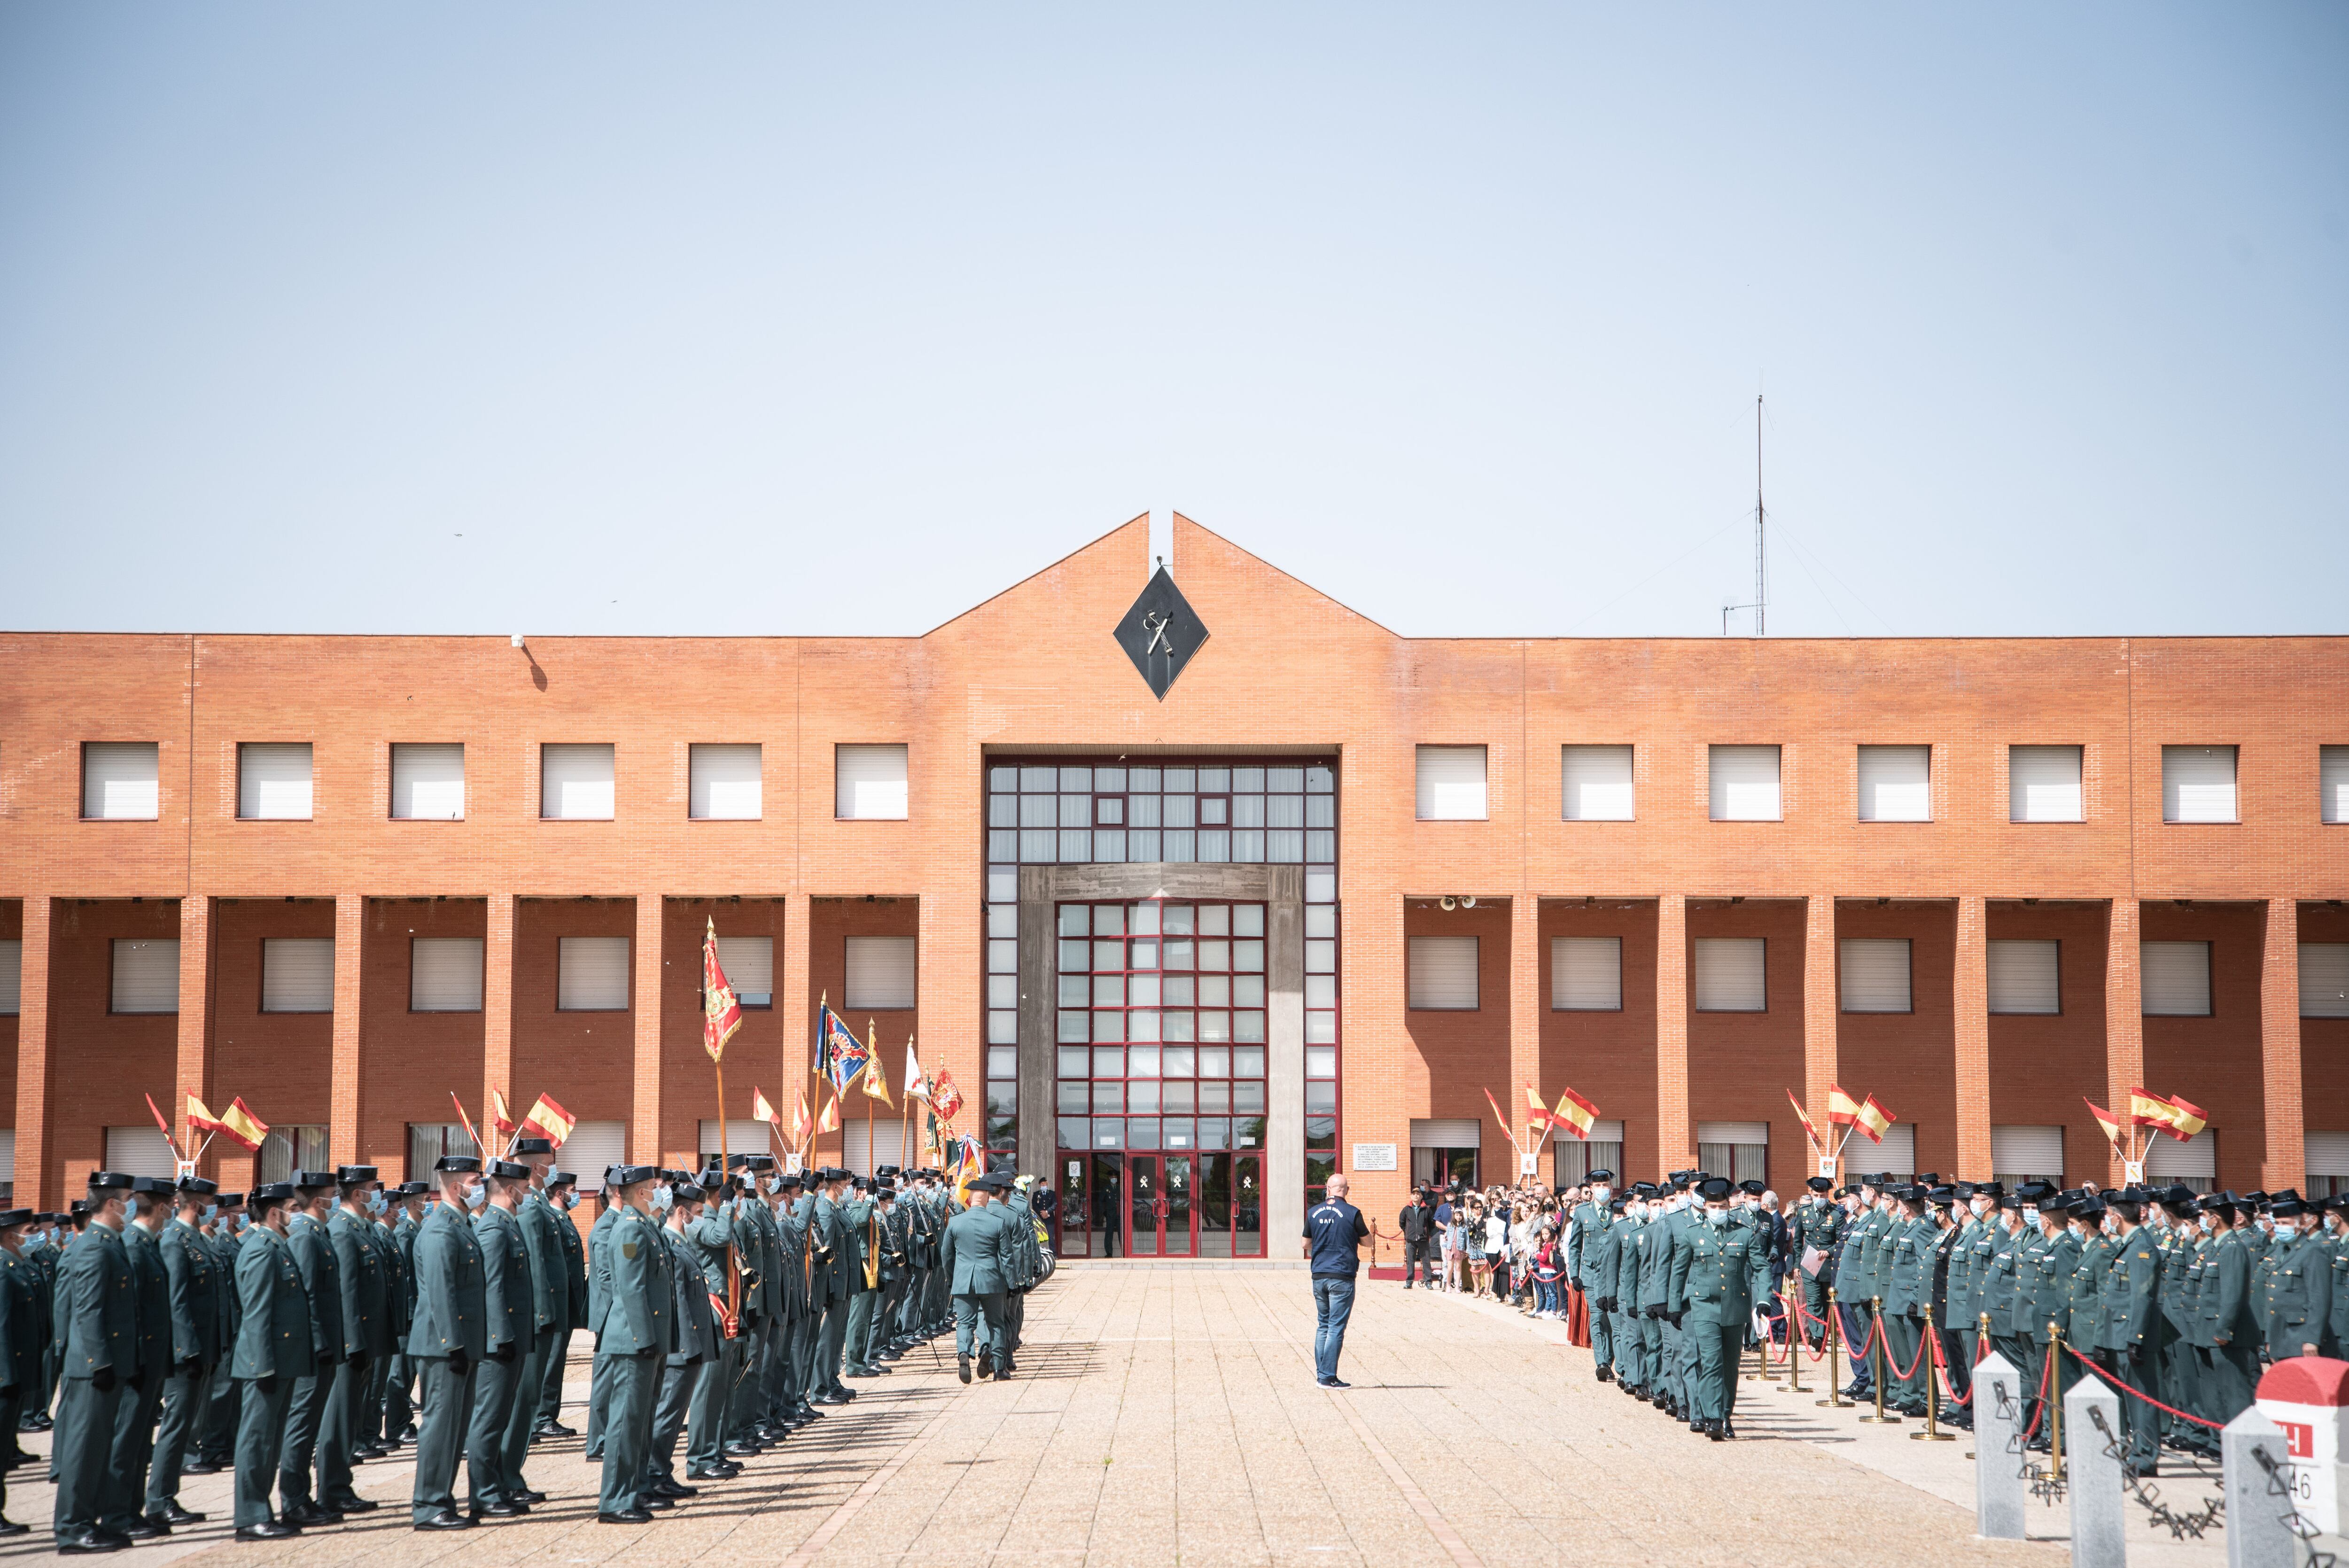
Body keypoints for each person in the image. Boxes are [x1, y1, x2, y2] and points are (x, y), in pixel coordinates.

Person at [408, 1153, 486, 1531]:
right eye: (475, 1181)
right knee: (441, 1426)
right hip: (444, 1346)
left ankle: (443, 1500)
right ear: (456, 1187)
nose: (480, 1186)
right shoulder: (441, 1230)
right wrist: (454, 1345)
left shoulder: (459, 1224)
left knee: (455, 1427)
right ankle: (429, 1506)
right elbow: (441, 1293)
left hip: (460, 1344)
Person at [228, 1183, 311, 1542]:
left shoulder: (278, 1245)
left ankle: (264, 1510)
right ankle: (250, 1516)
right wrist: (263, 1366)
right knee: (257, 1441)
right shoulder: (262, 1249)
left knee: (270, 1441)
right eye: (294, 1207)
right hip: (267, 1362)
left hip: (282, 1360)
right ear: (275, 1213)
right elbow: (257, 1314)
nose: (299, 1213)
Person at [594, 1165, 673, 1525]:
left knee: (639, 1421)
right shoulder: (629, 1228)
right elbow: (631, 1289)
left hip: (647, 1338)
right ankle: (615, 1500)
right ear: (641, 1193)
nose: (659, 1192)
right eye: (654, 1188)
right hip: (632, 1340)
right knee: (626, 1423)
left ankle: (637, 1488)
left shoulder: (644, 1227)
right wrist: (644, 1338)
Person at [145, 1176, 224, 1529]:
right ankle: (158, 1501)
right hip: (185, 1355)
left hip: (202, 1350)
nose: (215, 1207)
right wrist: (187, 1350)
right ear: (197, 1203)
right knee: (176, 1428)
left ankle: (167, 1496)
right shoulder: (176, 1241)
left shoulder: (195, 1239)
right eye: (211, 1200)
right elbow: (176, 1302)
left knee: (186, 1427)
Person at [467, 1157, 536, 1519]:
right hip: (500, 1343)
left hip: (512, 1337)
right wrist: (502, 1336)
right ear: (510, 1191)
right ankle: (483, 1493)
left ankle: (497, 1485)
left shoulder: (506, 1225)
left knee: (500, 1416)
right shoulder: (494, 1230)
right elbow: (492, 1287)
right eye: (524, 1188)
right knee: (489, 1418)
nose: (528, 1193)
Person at [941, 1174, 1014, 1383]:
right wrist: (1010, 1282)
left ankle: (964, 1354)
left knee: (964, 1323)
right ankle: (999, 1368)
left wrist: (952, 1278)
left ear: (971, 1197)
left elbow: (947, 1256)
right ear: (986, 1198)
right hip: (991, 1280)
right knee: (996, 1324)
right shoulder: (997, 1223)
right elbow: (1007, 1256)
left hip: (964, 1280)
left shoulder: (955, 1222)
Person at [1303, 1173, 1368, 1389]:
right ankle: (1327, 1376)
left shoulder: (1313, 1212)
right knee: (1335, 1328)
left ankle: (1322, 1373)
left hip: (1319, 1274)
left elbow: (1305, 1243)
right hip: (1342, 1275)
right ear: (1346, 1191)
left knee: (1323, 1325)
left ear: (1328, 1189)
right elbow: (1368, 1242)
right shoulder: (1352, 1213)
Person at [1397, 1188, 1436, 1289]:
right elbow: (1402, 1222)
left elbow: (1432, 1223)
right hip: (1411, 1240)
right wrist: (1408, 1232)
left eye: (1418, 1194)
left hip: (1424, 1239)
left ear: (1421, 1197)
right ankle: (1409, 1282)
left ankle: (1428, 1282)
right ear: (1411, 1196)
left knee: (1426, 1261)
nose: (1416, 1196)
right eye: (1414, 1194)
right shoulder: (1406, 1209)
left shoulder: (1426, 1209)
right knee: (1410, 1261)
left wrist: (1427, 1233)